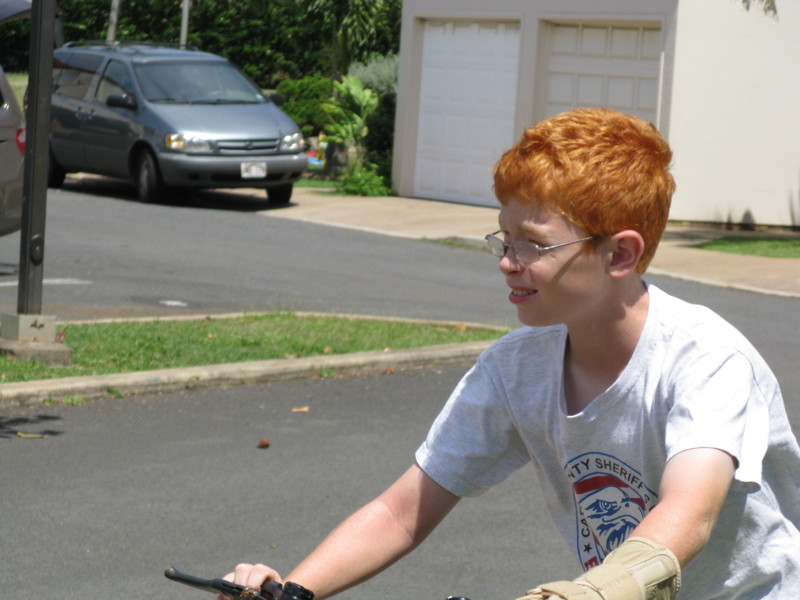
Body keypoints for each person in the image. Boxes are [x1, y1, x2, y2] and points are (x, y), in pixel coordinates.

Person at [225, 108, 800, 599]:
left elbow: (687, 515)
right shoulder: (514, 368)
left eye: (535, 244)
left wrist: (590, 591)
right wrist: (294, 591)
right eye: (504, 238)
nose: (507, 260)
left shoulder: (706, 359)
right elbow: (402, 512)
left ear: (620, 255)